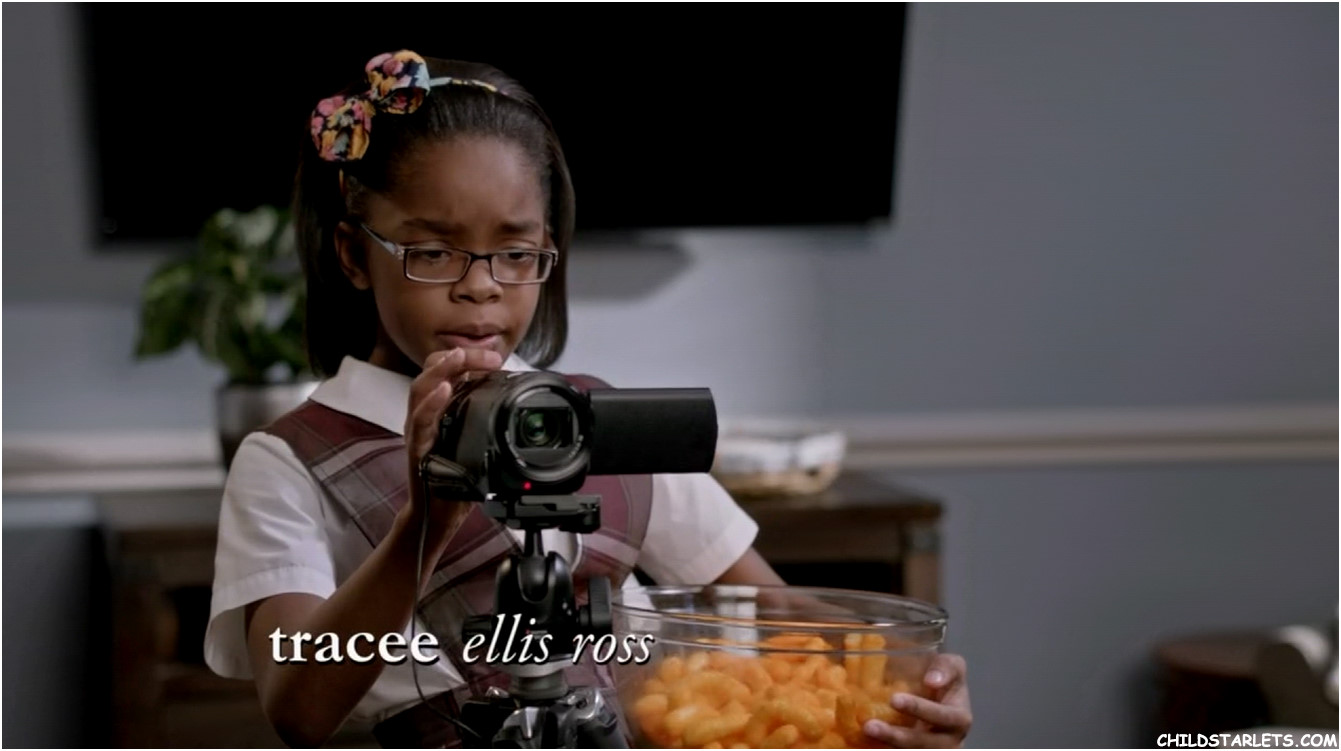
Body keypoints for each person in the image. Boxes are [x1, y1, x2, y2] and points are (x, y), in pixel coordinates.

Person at [204, 50, 972, 749]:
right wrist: (423, 527)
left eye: (515, 252)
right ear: (353, 254)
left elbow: (775, 613)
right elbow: (298, 706)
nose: (482, 285)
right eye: (433, 251)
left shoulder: (593, 422)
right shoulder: (289, 461)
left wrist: (910, 682)